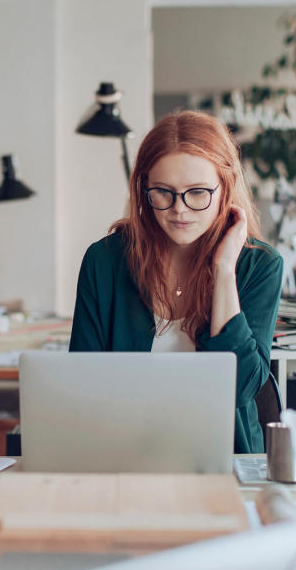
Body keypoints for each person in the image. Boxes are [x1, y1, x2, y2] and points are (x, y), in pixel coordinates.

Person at [69, 110, 284, 453]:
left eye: (198, 193)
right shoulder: (105, 260)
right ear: (143, 190)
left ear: (224, 187)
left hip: (224, 457)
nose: (179, 210)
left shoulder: (260, 266)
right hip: (123, 453)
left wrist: (225, 270)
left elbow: (241, 387)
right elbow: (81, 383)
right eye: (163, 192)